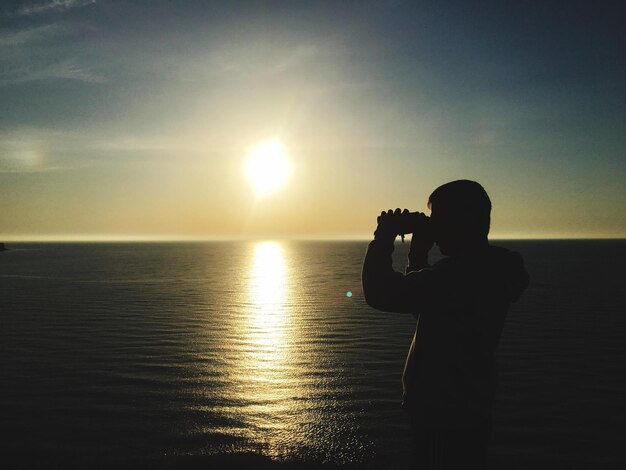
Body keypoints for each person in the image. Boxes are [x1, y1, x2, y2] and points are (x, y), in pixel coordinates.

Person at [362, 180, 528, 469]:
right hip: (467, 412)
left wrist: (384, 235)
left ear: (460, 221)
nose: (434, 228)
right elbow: (424, 307)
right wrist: (419, 252)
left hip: (444, 419)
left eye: (439, 220)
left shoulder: (456, 277)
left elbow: (379, 292)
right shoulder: (489, 269)